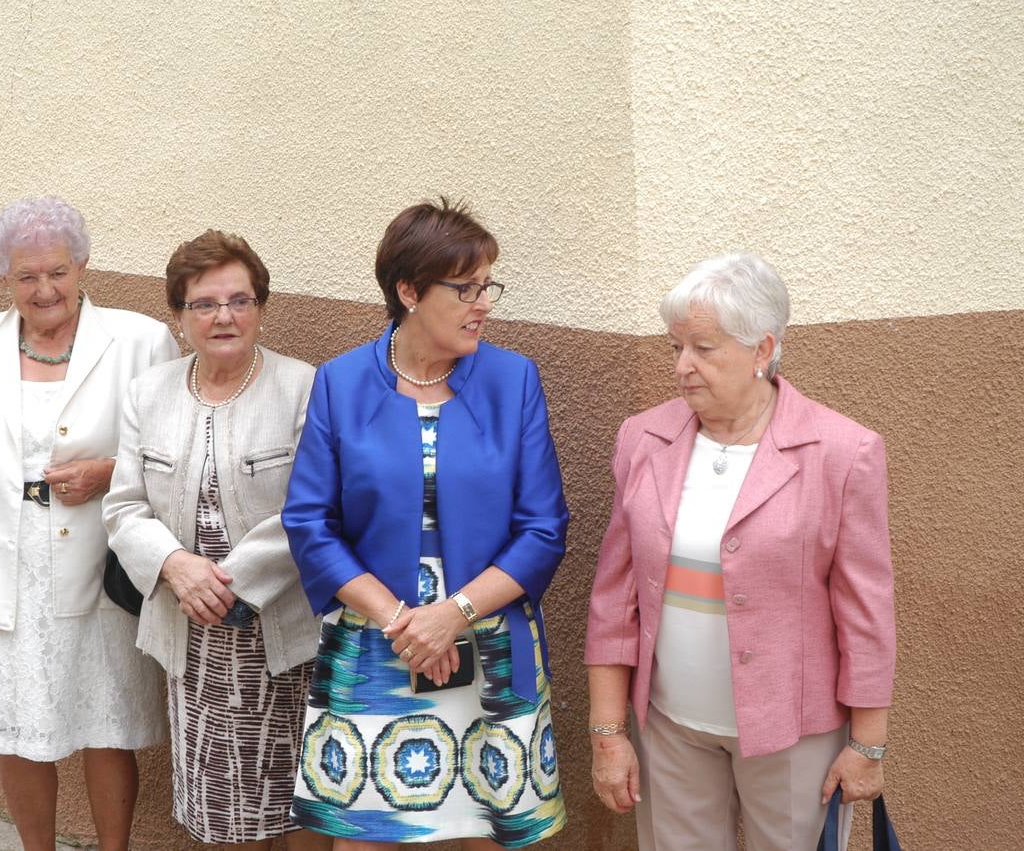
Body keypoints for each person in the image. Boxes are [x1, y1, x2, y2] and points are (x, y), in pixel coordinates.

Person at [584, 252, 896, 851]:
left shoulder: (842, 452)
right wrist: (609, 731)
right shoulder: (643, 438)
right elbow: (613, 597)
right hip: (670, 728)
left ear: (762, 350)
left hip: (795, 735)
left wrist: (867, 745)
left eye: (703, 348)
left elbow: (867, 611)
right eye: (676, 347)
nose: (682, 366)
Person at [284, 199, 569, 849]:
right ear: (408, 291)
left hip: (490, 636)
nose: (483, 303)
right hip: (374, 638)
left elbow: (544, 527)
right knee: (366, 830)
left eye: (487, 284)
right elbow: (309, 522)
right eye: (464, 287)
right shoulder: (341, 383)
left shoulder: (512, 380)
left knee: (483, 831)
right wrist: (400, 623)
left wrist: (453, 614)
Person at [0, 196, 177, 851]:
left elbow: (172, 449)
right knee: (16, 724)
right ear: (3, 278)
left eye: (58, 271)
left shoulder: (140, 340)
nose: (45, 289)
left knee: (106, 722)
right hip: (6, 564)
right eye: (26, 276)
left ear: (84, 265)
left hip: (99, 560)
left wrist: (109, 473)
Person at [103, 229, 327, 850]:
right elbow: (123, 507)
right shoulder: (148, 393)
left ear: (260, 306)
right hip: (192, 634)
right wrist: (176, 565)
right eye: (204, 303)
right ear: (178, 317)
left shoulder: (303, 386)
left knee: (298, 798)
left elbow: (313, 508)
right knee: (220, 803)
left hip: (282, 632)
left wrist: (230, 584)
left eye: (240, 300)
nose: (223, 316)